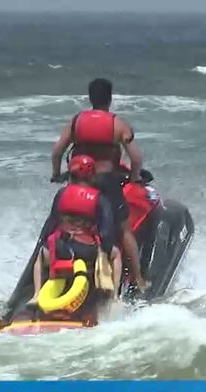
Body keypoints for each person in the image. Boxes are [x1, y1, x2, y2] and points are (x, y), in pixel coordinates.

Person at [50, 78, 150, 292]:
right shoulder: (117, 124)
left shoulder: (76, 121)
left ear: (90, 97)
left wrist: (57, 174)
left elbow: (57, 151)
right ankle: (138, 279)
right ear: (110, 98)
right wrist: (133, 178)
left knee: (59, 223)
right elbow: (137, 158)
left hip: (78, 181)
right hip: (107, 182)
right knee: (124, 229)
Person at [30, 155, 122, 304]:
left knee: (40, 256)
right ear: (93, 176)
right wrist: (104, 251)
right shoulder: (99, 198)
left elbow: (52, 224)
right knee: (116, 254)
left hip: (60, 250)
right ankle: (115, 298)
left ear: (70, 175)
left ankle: (36, 295)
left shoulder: (61, 194)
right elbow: (106, 232)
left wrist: (46, 244)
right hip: (87, 252)